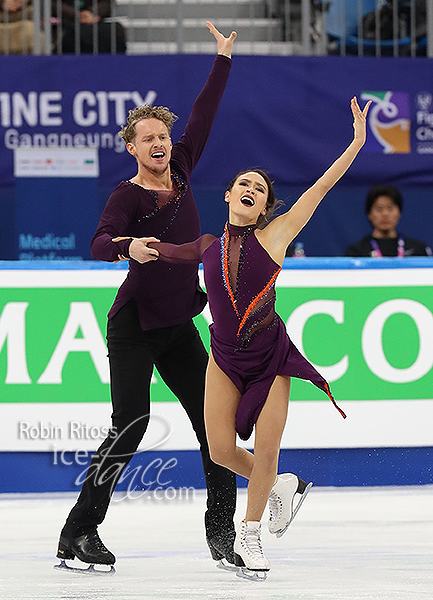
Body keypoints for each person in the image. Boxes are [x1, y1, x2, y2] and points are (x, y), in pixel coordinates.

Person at [141, 97, 370, 580]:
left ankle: (251, 532)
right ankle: (281, 485)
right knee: (221, 450)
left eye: (260, 188)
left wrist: (356, 143)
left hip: (270, 357)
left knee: (266, 449)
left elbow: (322, 186)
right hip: (222, 359)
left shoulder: (277, 236)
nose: (250, 189)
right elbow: (167, 252)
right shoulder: (207, 245)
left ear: (266, 206)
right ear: (228, 196)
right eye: (243, 183)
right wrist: (132, 247)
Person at [56, 22, 238, 573]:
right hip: (135, 322)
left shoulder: (181, 169)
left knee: (214, 425)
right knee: (131, 421)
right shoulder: (127, 194)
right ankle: (79, 531)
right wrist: (126, 245)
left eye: (164, 136)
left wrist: (222, 60)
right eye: (149, 139)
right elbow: (97, 242)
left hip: (179, 323)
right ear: (132, 148)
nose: (160, 144)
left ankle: (222, 532)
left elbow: (203, 114)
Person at [346, 184, 432, 257]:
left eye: (390, 208)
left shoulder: (418, 249)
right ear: (369, 214)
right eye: (379, 209)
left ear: (399, 212)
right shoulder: (357, 252)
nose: (385, 214)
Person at [52, 0, 126, 53]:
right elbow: (52, 3)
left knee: (114, 31)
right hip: (64, 22)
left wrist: (93, 13)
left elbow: (107, 2)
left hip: (94, 21)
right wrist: (77, 15)